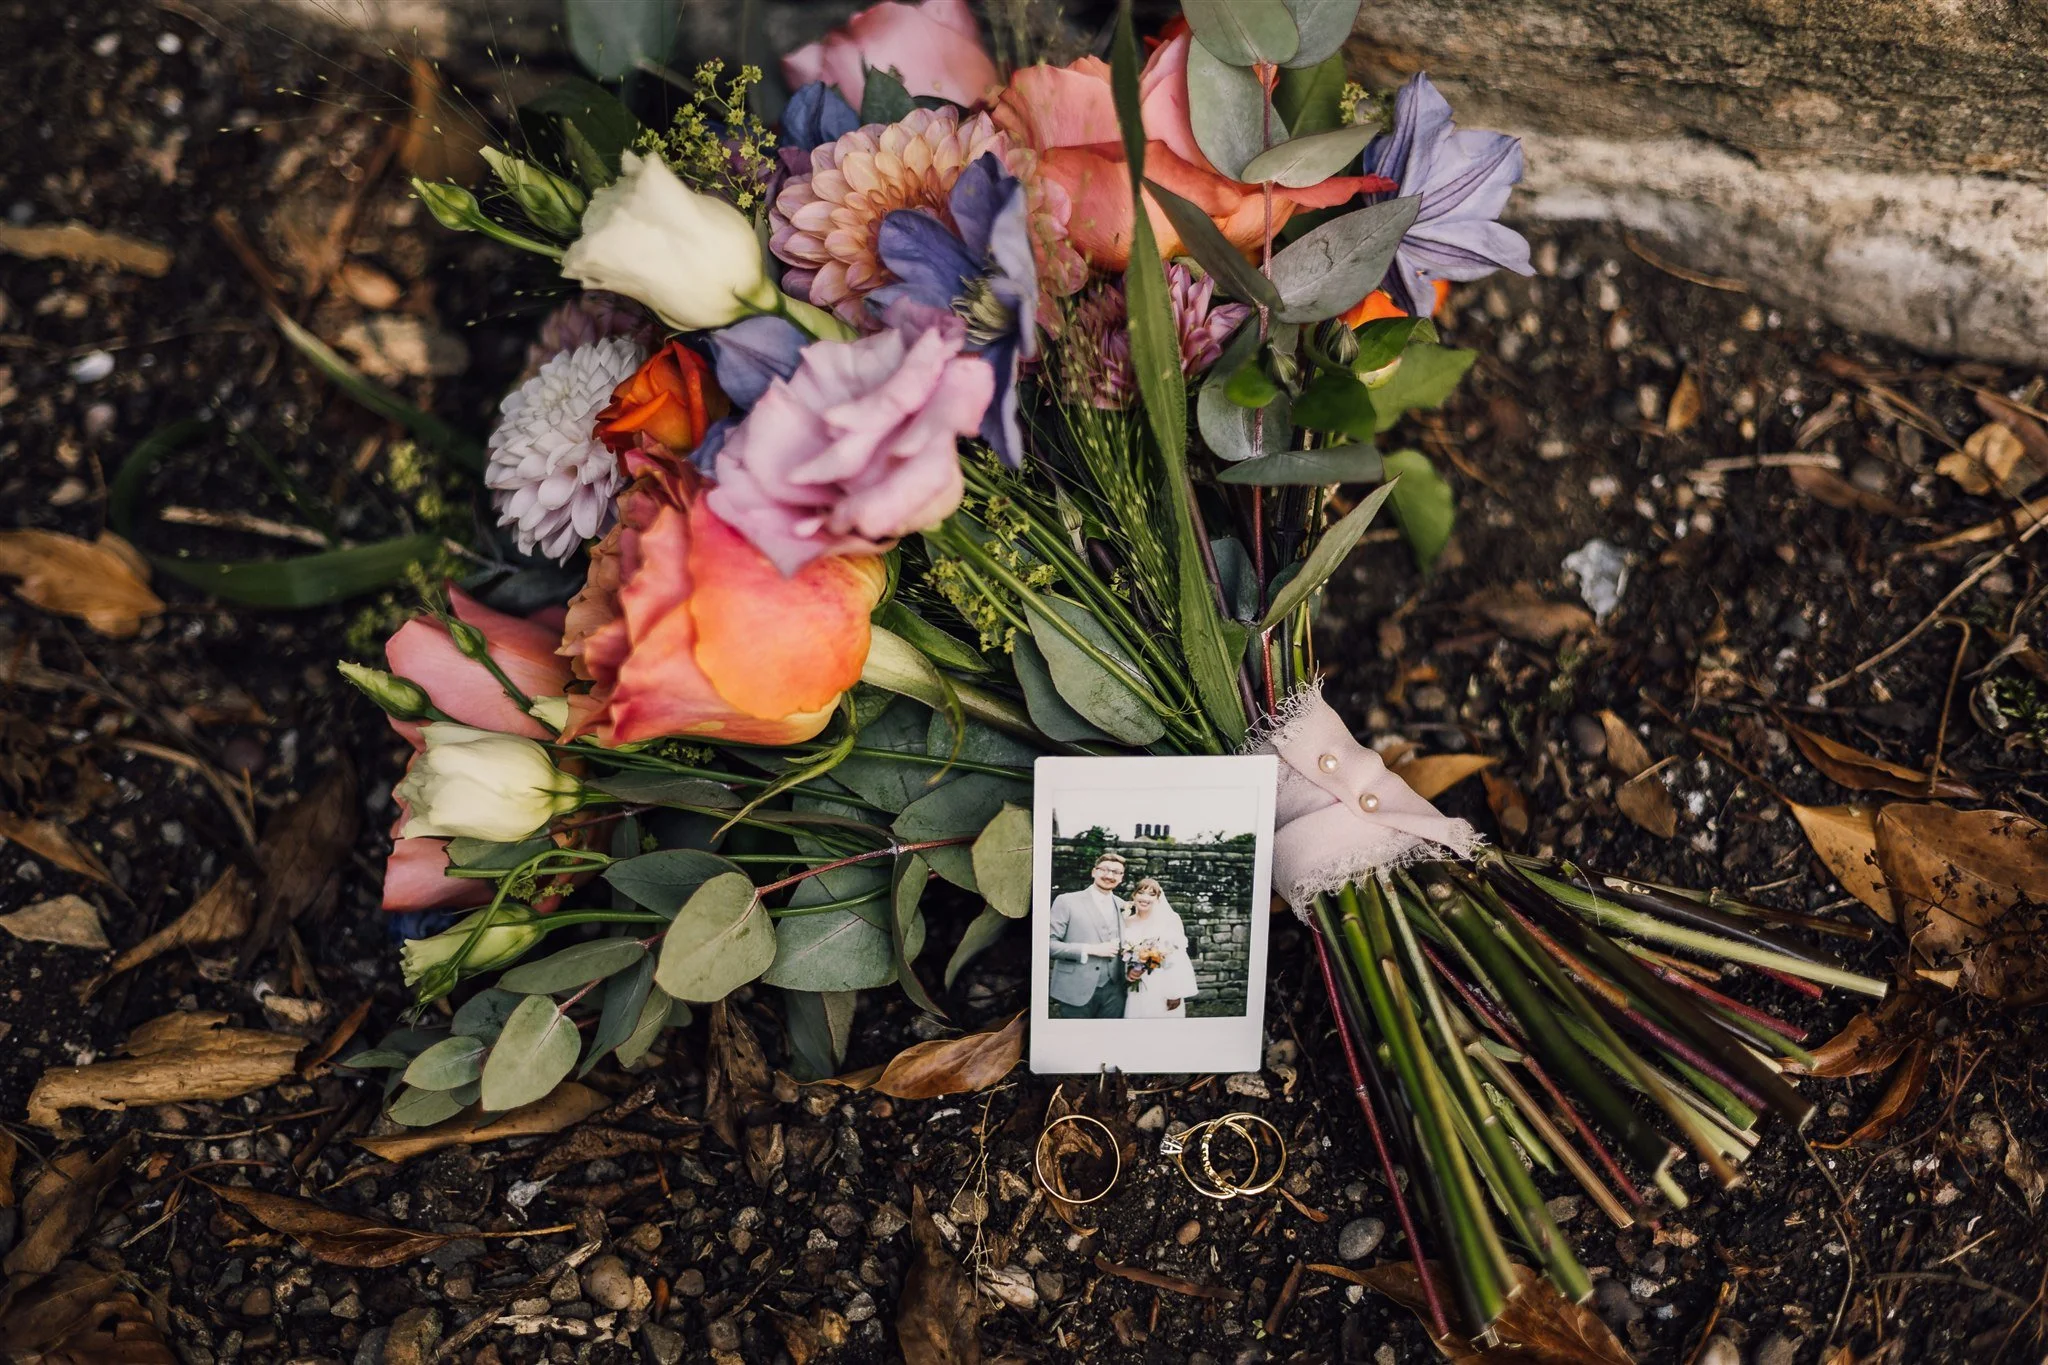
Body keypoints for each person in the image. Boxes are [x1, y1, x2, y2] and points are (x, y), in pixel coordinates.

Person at [1047, 851, 1130, 1019]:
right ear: (1094, 872)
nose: (1109, 875)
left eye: (1116, 872)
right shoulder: (1066, 901)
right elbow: (1046, 944)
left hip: (1115, 991)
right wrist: (1091, 949)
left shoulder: (1123, 905)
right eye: (1104, 869)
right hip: (1075, 988)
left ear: (1121, 878)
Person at [1121, 878, 1199, 1019]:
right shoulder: (1126, 921)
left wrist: (1175, 993)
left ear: (1158, 898)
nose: (1145, 898)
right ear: (1134, 895)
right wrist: (1128, 972)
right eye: (1141, 892)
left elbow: (1179, 959)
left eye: (1151, 894)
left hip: (1163, 984)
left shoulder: (1170, 920)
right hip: (1136, 986)